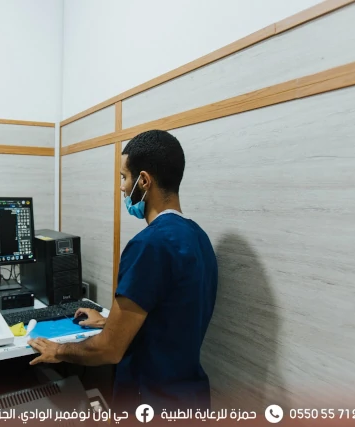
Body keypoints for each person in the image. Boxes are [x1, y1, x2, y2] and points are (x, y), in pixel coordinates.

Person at [28, 130, 218, 413]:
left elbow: (108, 350)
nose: (121, 188)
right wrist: (110, 321)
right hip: (190, 399)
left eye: (124, 177)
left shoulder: (149, 245)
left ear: (144, 181)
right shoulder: (198, 237)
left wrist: (59, 351)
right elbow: (172, 317)